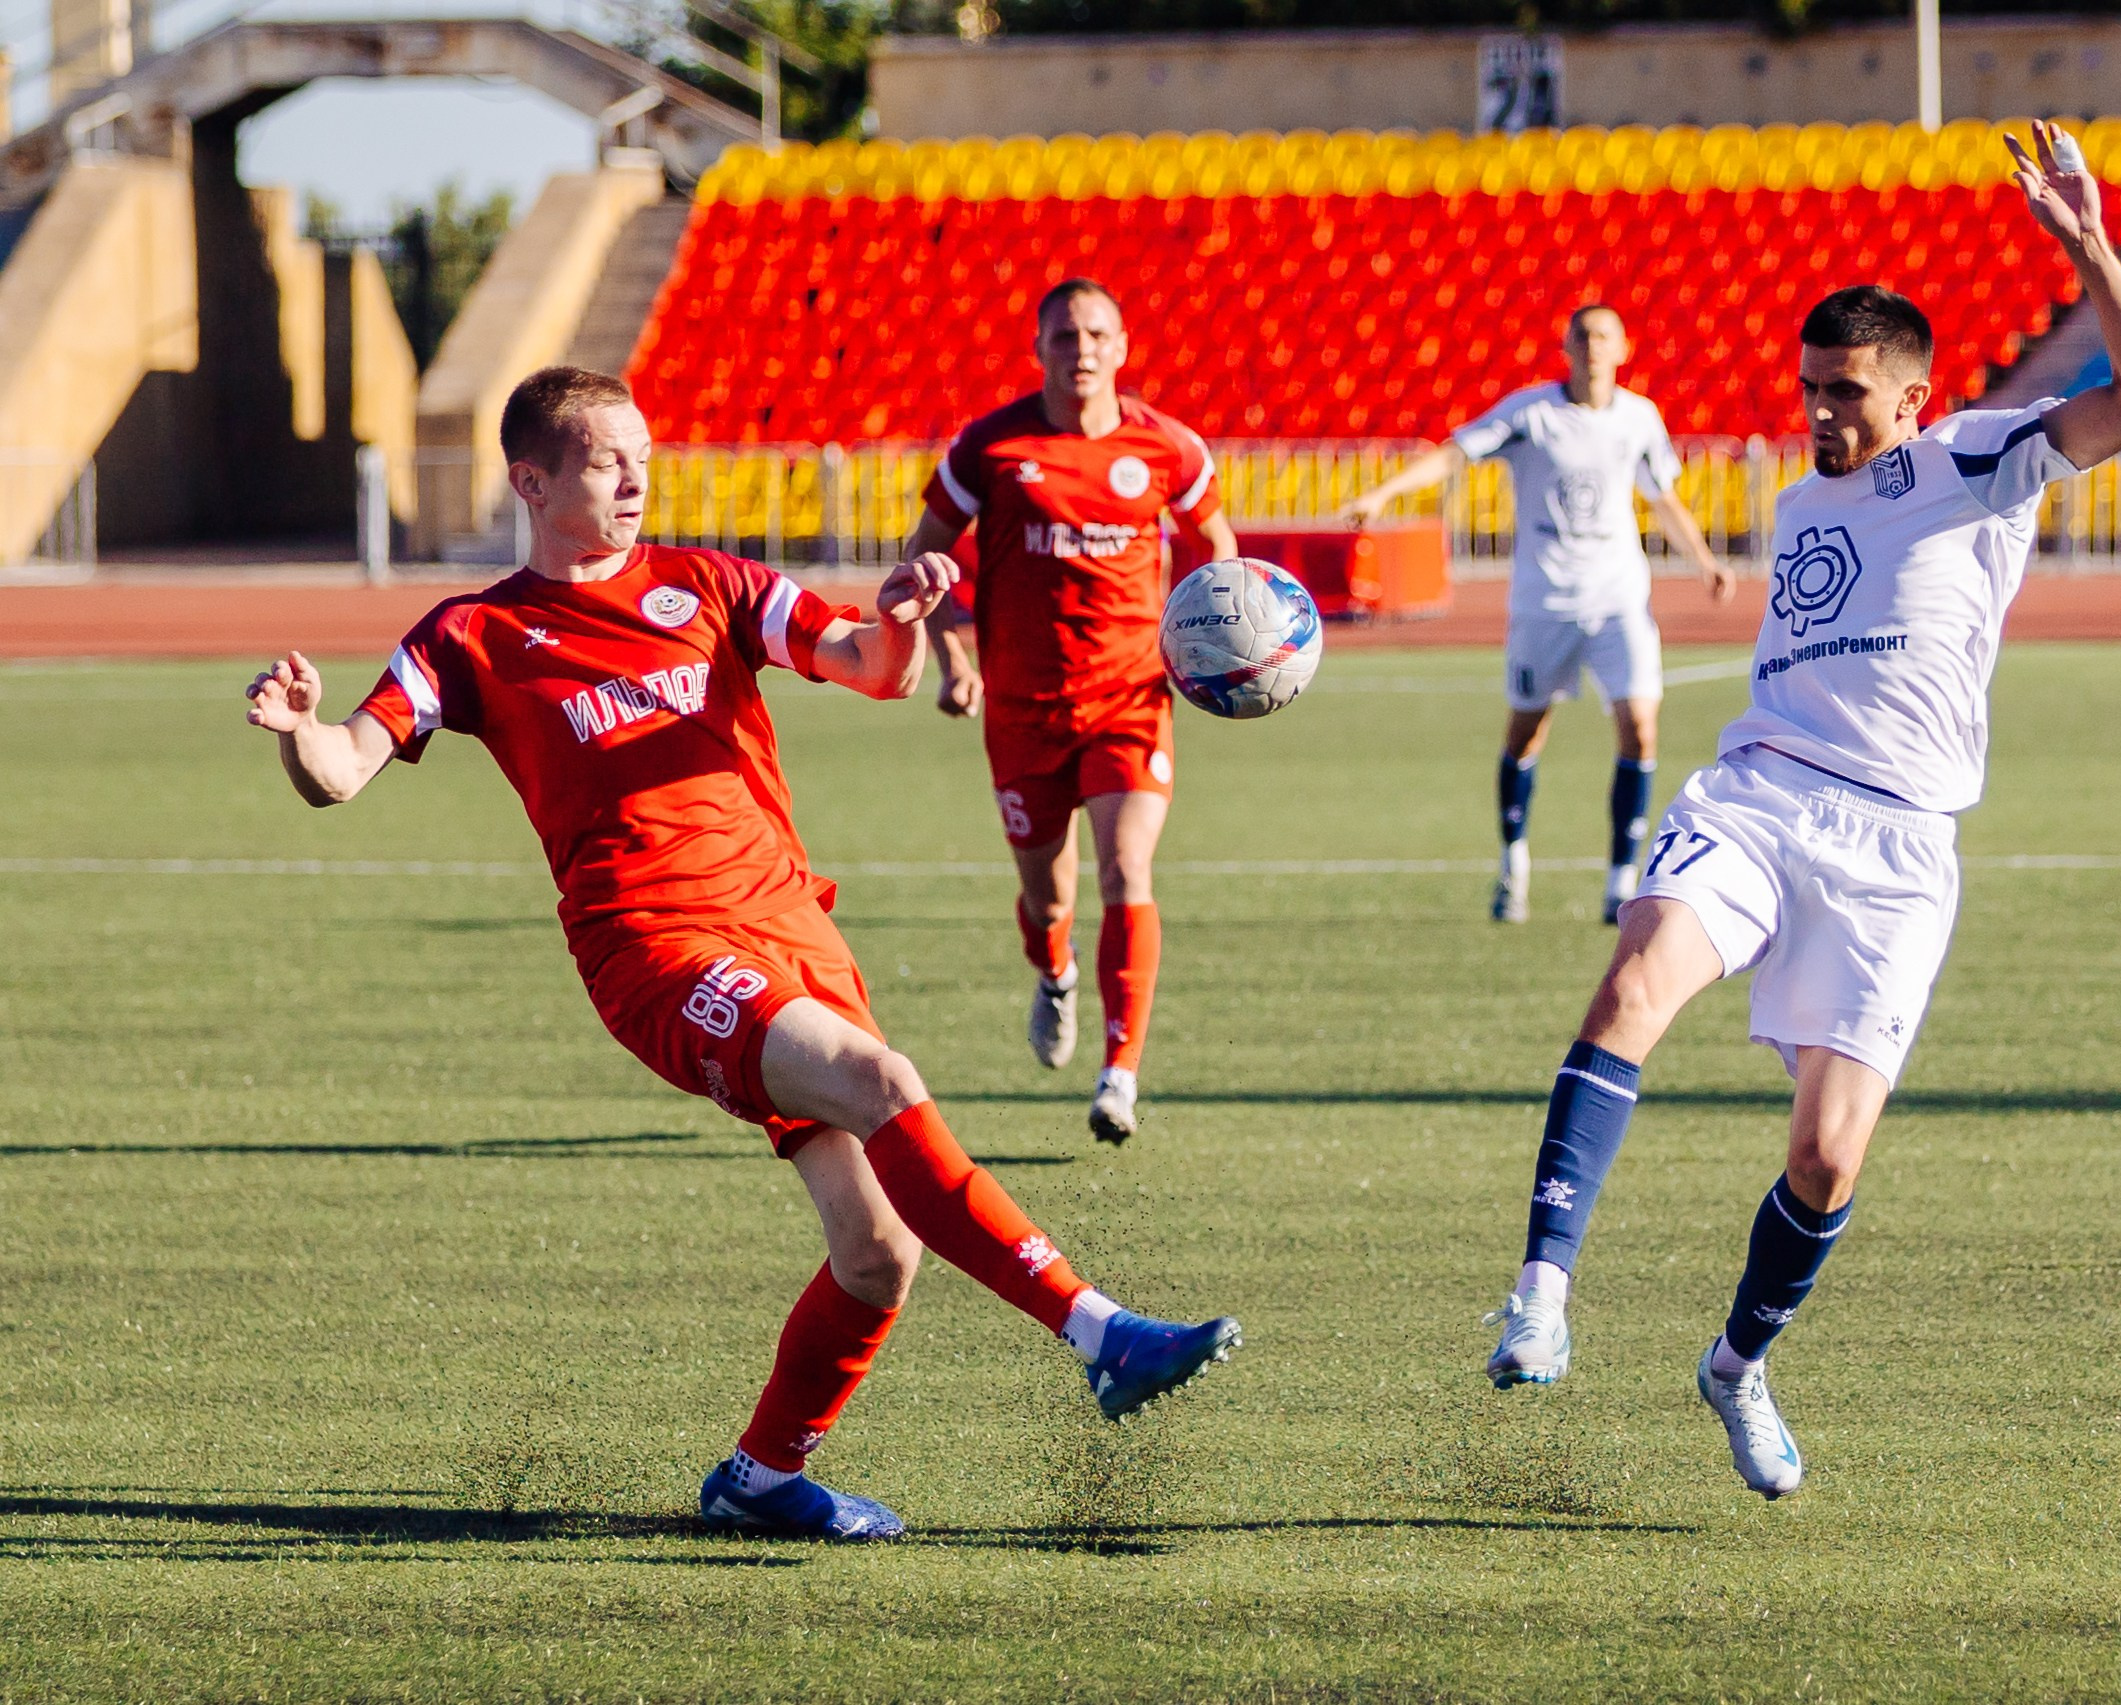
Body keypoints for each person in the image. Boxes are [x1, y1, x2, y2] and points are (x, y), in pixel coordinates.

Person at [244, 366, 1242, 1544]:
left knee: (877, 1255)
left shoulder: (709, 581)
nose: (637, 475)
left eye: (643, 454)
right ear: (533, 480)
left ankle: (760, 1478)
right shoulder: (475, 634)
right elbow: (345, 768)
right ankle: (1100, 1331)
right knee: (883, 1084)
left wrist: (906, 622)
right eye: (608, 459)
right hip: (655, 950)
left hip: (790, 928)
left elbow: (869, 669)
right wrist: (299, 731)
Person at [1478, 123, 2121, 1497]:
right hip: (1758, 794)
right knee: (1630, 985)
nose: (1821, 415)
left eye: (1849, 395)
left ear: (1914, 399)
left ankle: (1736, 1364)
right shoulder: (1801, 501)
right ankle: (1540, 1296)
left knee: (1827, 1154)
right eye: (1810, 389)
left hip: (1898, 852)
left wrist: (2089, 242)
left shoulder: (1981, 463)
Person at [907, 278, 1239, 1145]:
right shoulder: (992, 446)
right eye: (1063, 335)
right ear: (1040, 349)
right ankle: (1054, 973)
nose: (1080, 349)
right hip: (1021, 708)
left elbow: (1218, 549)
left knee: (1127, 872)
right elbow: (923, 557)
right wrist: (952, 656)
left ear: (1123, 346)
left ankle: (1119, 1073)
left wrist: (1217, 649)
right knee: (1048, 899)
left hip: (1130, 697)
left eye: (1095, 334)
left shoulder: (1164, 447)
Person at [1343, 304, 1735, 926]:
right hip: (1543, 601)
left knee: (1641, 726)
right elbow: (1454, 454)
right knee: (1527, 731)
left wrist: (1705, 560)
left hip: (1617, 599)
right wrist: (1385, 492)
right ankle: (1514, 865)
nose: (1593, 346)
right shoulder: (1530, 414)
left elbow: (1664, 498)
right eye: (1583, 336)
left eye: (1605, 335)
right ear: (1567, 346)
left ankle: (1620, 881)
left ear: (1624, 348)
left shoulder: (1640, 418)